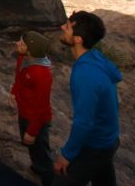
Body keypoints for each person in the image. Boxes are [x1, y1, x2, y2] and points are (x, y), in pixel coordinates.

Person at [53, 11, 122, 186]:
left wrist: (66, 155)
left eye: (67, 27)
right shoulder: (94, 57)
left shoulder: (85, 74)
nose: (62, 27)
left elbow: (84, 122)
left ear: (78, 39)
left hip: (96, 145)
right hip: (109, 138)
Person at [10, 31, 54, 186]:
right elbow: (19, 76)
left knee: (40, 149)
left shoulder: (42, 74)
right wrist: (15, 92)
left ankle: (49, 178)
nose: (17, 43)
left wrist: (32, 130)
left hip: (36, 119)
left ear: (30, 51)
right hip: (25, 112)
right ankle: (37, 167)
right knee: (31, 146)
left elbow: (42, 106)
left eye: (21, 44)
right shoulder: (24, 58)